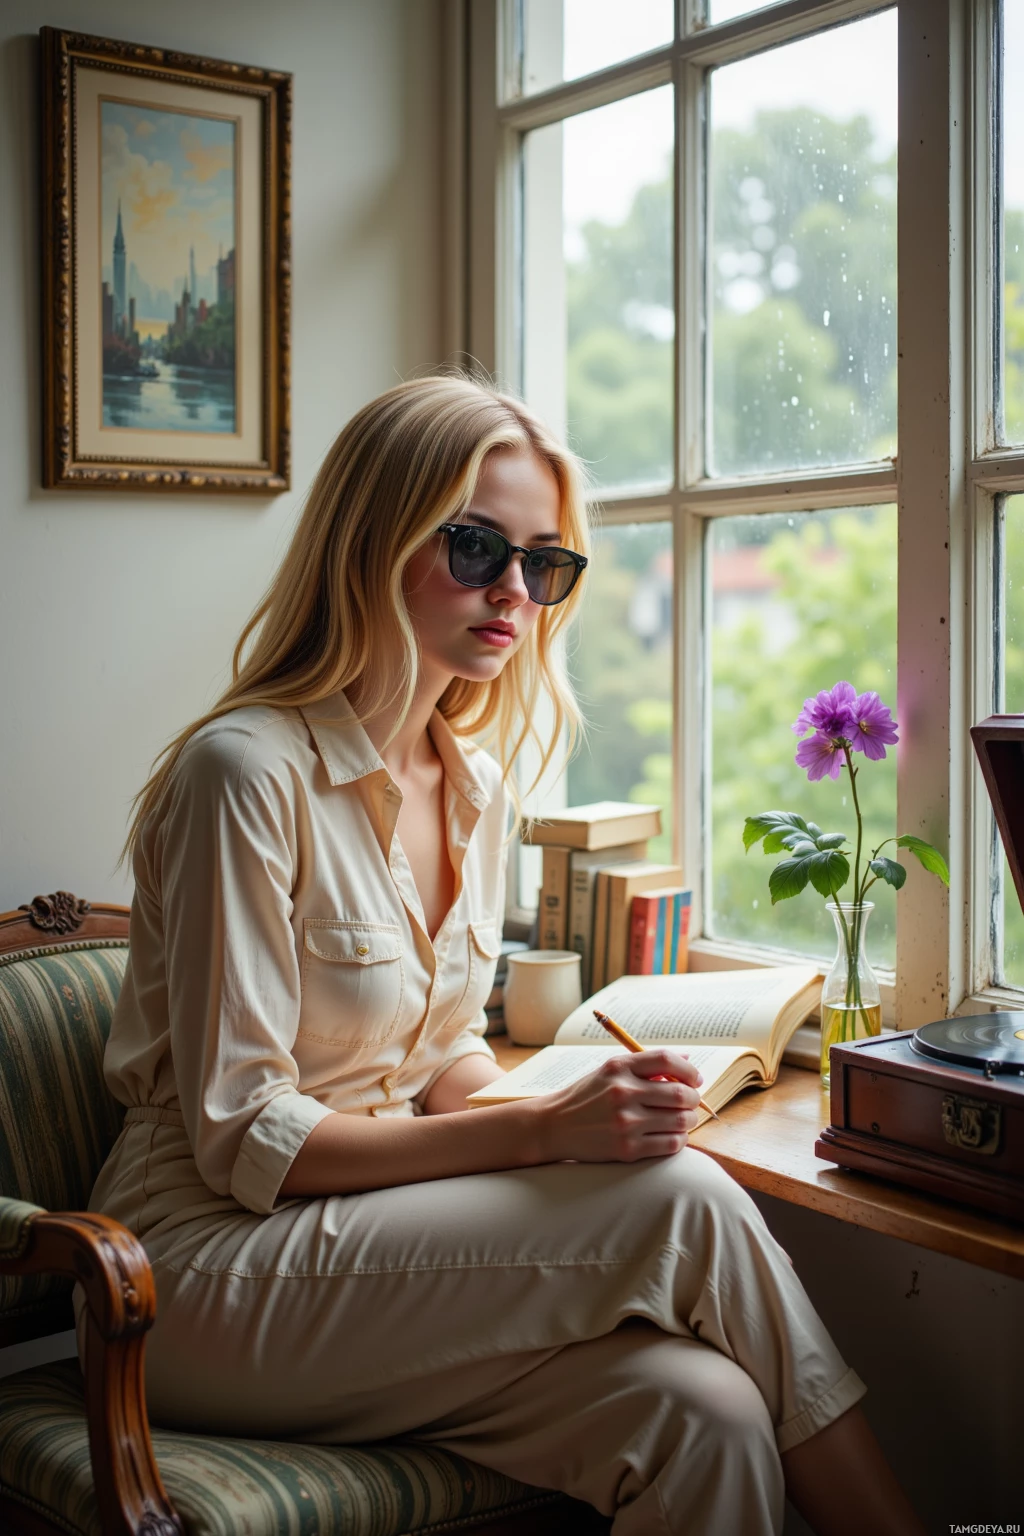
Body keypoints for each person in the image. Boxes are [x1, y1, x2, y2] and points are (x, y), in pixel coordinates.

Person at [89, 375, 926, 1536]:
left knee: (705, 1412)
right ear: (370, 539)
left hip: (364, 1253)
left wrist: (571, 1103)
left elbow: (438, 1065)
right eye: (478, 546)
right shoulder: (244, 773)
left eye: (546, 564)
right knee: (681, 1205)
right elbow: (246, 1139)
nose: (514, 593)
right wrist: (538, 1137)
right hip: (196, 1275)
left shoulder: (474, 785)